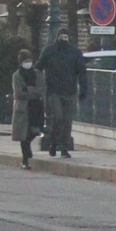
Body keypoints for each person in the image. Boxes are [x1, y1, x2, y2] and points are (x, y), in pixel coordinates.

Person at [39, 31, 86, 159]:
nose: (64, 39)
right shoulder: (49, 51)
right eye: (62, 37)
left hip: (70, 92)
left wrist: (83, 89)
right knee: (58, 118)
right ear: (57, 37)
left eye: (66, 37)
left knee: (67, 120)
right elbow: (39, 66)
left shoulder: (75, 53)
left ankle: (64, 148)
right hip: (54, 92)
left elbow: (82, 72)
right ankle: (54, 143)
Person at [10, 51, 45, 169]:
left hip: (36, 107)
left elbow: (40, 89)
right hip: (23, 108)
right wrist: (32, 91)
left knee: (36, 130)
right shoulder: (17, 75)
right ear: (21, 62)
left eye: (30, 61)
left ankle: (28, 146)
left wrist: (28, 90)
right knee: (23, 134)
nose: (28, 63)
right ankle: (25, 160)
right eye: (26, 61)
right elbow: (19, 93)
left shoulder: (37, 74)